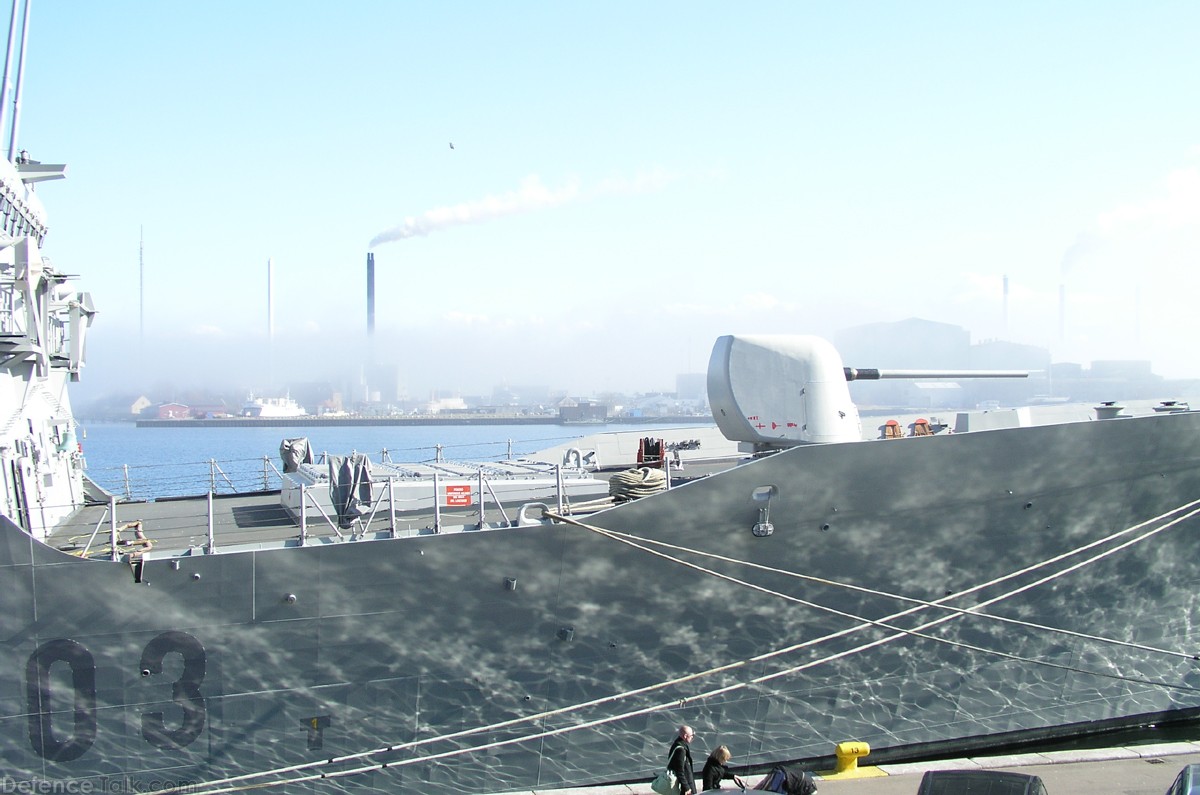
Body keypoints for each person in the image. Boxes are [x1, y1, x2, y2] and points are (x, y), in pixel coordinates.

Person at [667, 724, 698, 795]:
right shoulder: (680, 749)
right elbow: (679, 770)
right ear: (685, 736)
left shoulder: (677, 745)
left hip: (685, 784)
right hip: (685, 786)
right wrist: (687, 787)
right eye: (691, 736)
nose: (692, 738)